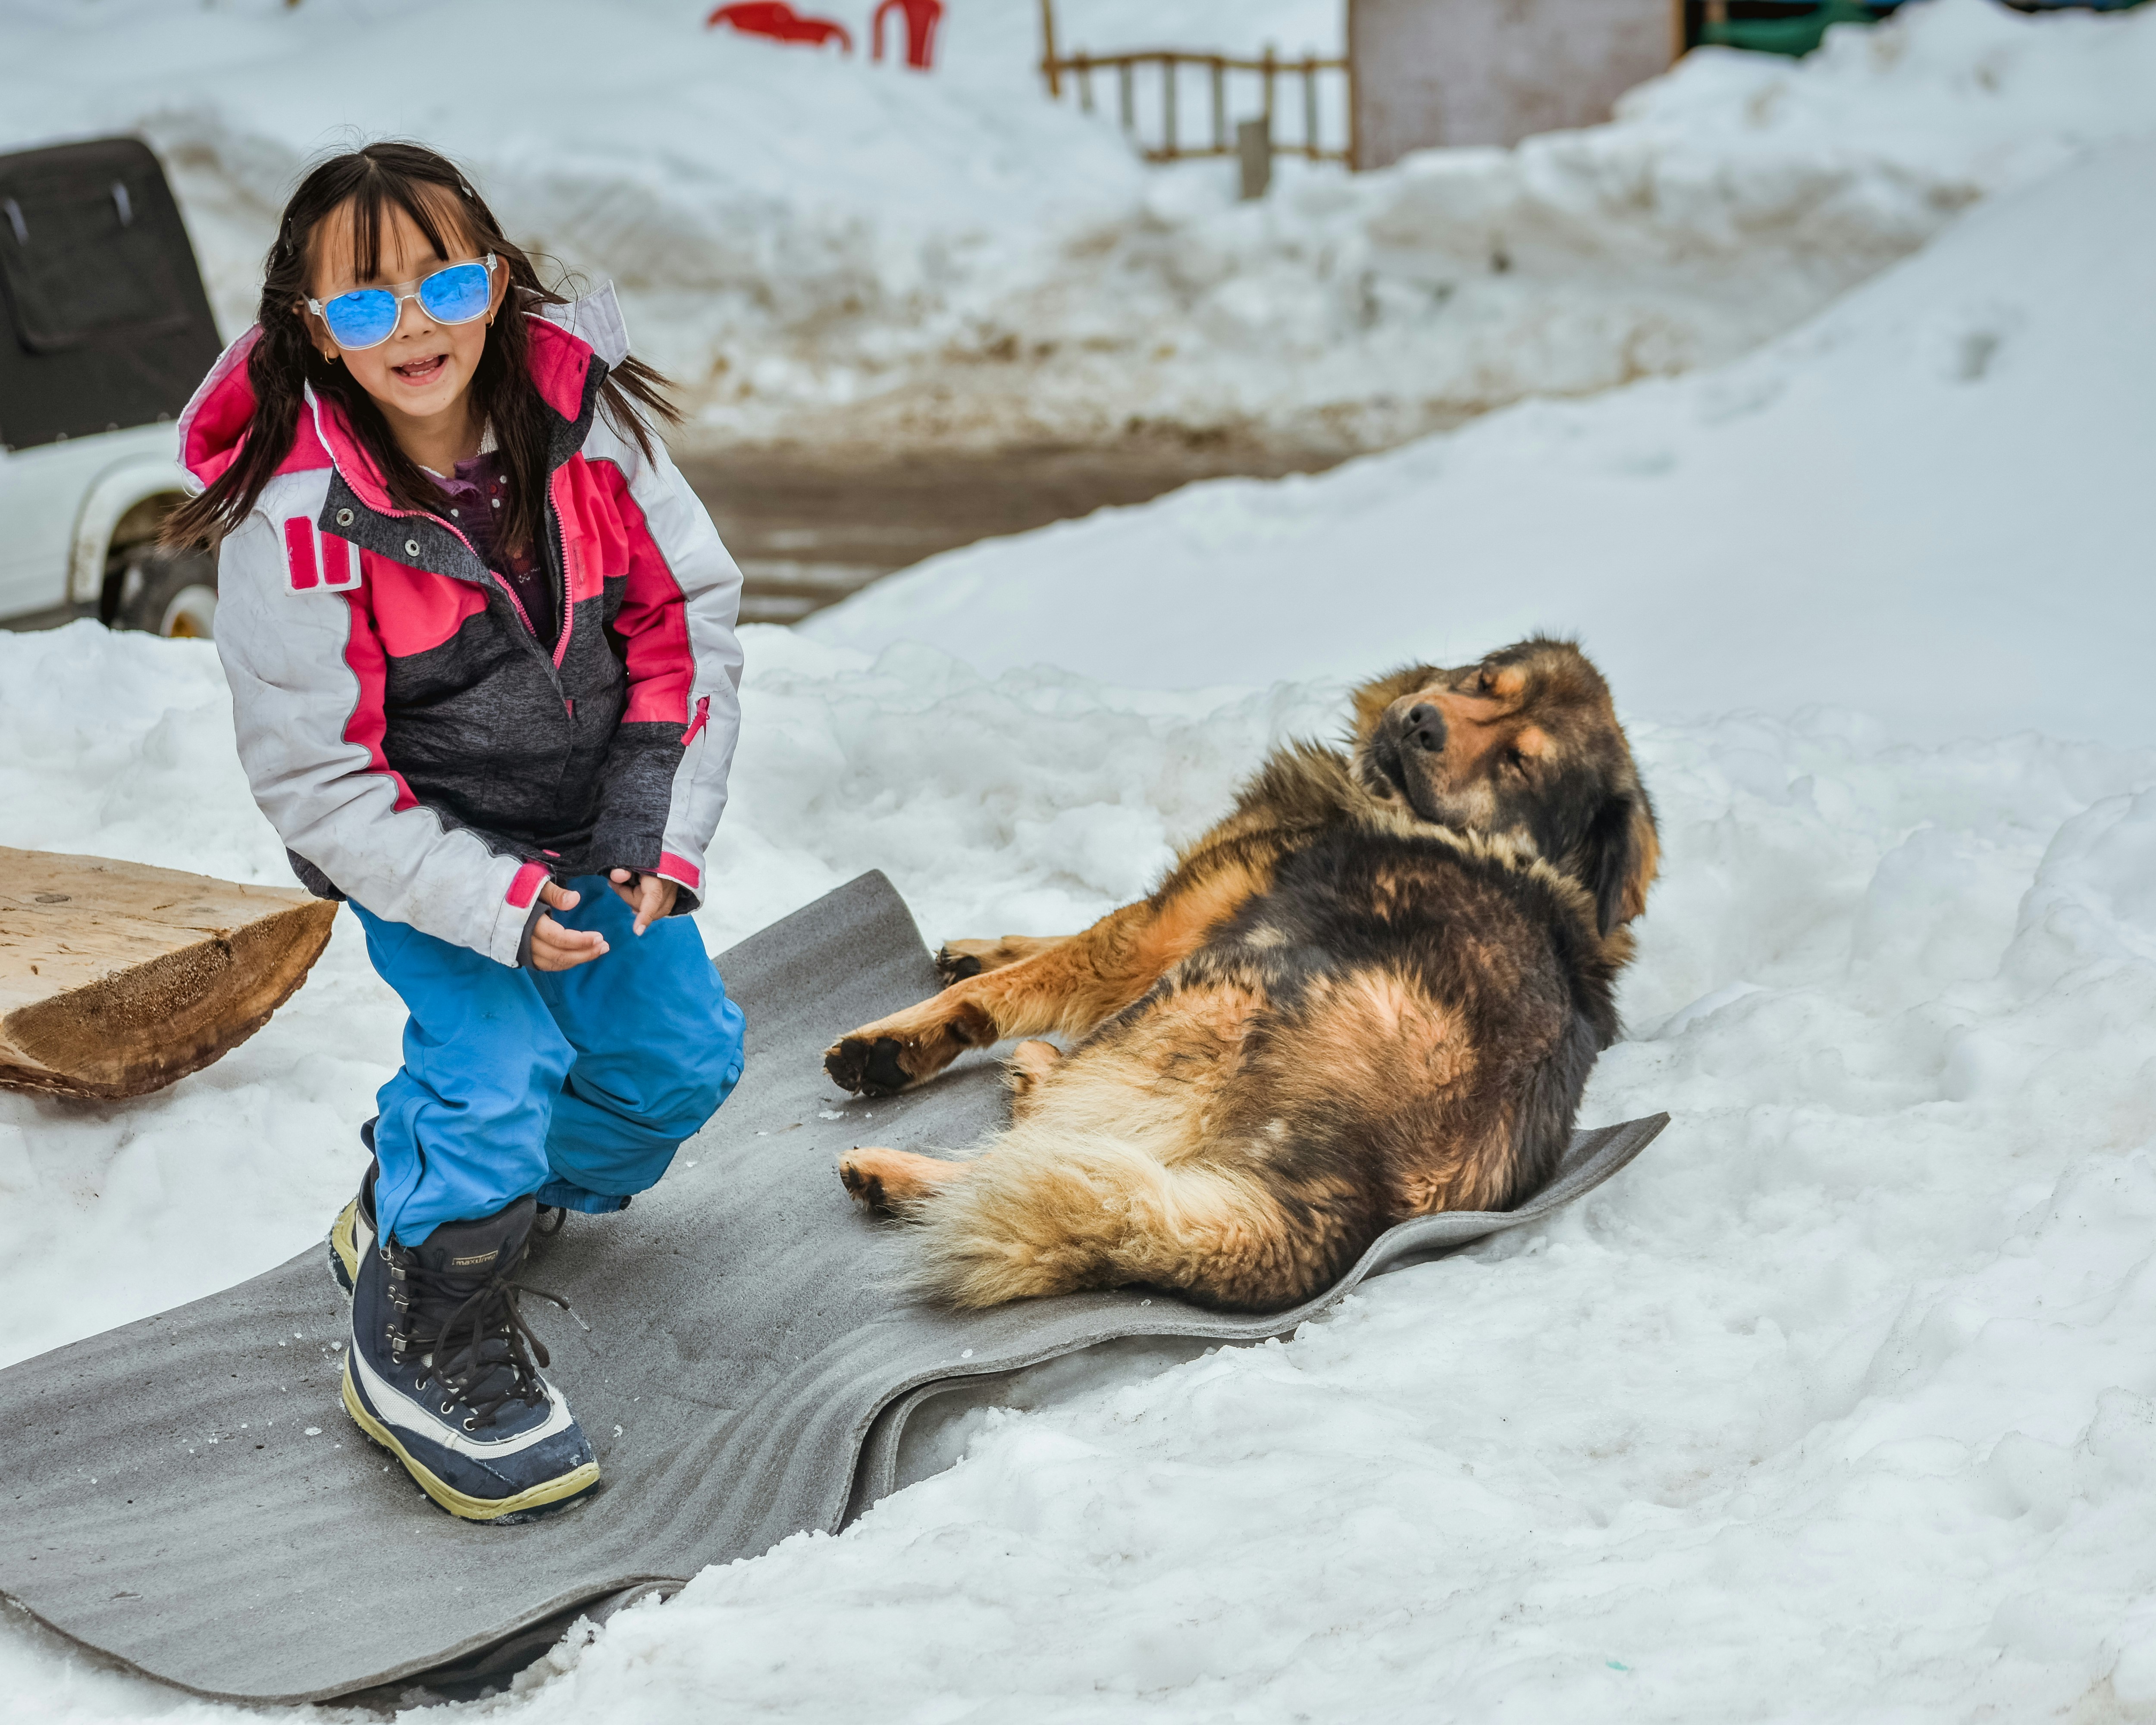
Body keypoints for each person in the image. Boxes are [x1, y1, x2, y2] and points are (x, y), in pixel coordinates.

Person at [167, 143, 746, 1521]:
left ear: (496, 281)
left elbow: (689, 627)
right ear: (310, 327)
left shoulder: (590, 427)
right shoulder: (297, 515)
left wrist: (653, 838)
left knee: (680, 1068)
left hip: (589, 829)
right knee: (493, 1082)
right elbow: (317, 780)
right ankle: (424, 1326)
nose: (413, 326)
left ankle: (421, 1192)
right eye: (364, 305)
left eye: (445, 282)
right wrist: (487, 912)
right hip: (425, 854)